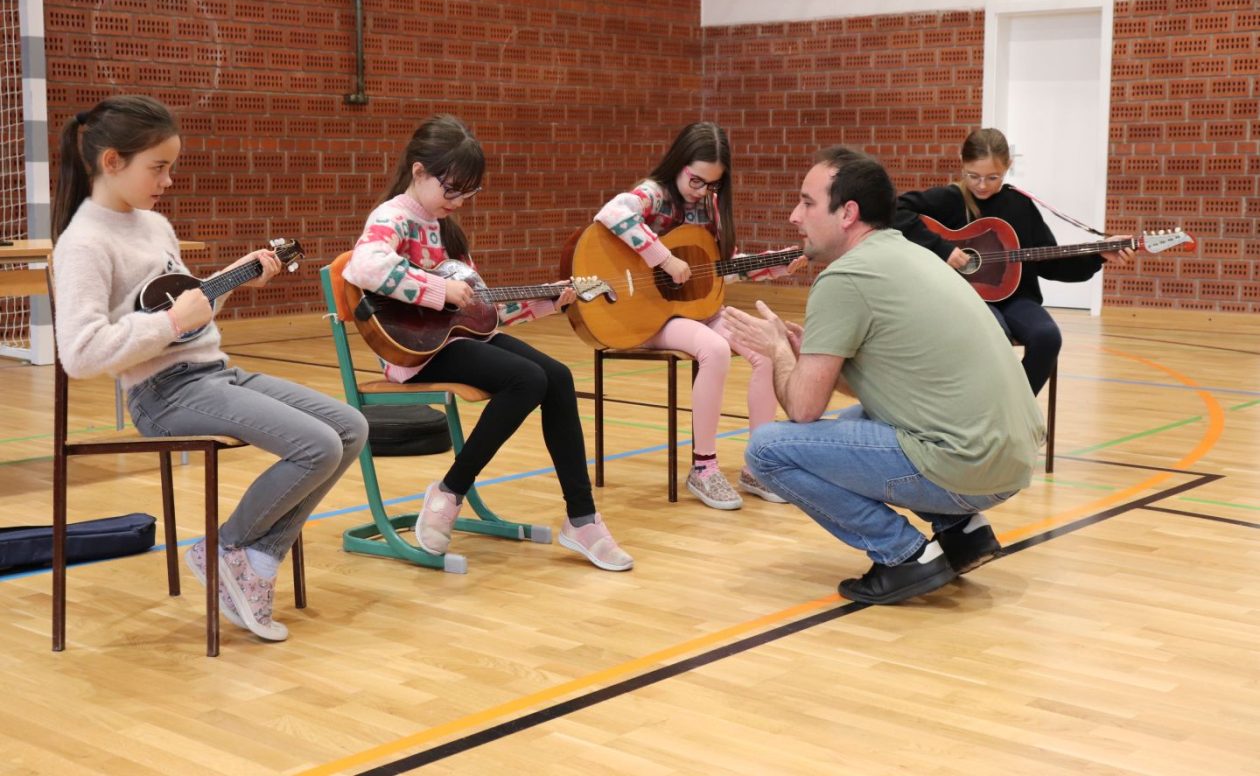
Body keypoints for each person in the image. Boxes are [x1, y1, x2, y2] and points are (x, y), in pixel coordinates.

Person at [52, 95, 369, 641]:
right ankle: (227, 548)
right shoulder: (84, 242)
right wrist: (172, 324)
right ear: (111, 163)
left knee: (350, 427)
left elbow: (181, 308)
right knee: (317, 445)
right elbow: (80, 353)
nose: (168, 180)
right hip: (163, 395)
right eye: (158, 167)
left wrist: (233, 280)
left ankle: (256, 558)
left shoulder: (153, 225)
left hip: (213, 372)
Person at [724, 147, 1045, 605]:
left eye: (807, 202)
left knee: (768, 450)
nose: (795, 216)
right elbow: (895, 384)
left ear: (848, 213)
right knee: (859, 416)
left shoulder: (845, 279)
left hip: (969, 468)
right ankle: (962, 532)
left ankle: (905, 555)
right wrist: (808, 358)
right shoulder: (912, 255)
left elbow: (801, 408)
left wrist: (777, 351)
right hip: (1010, 458)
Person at [343, 114, 633, 572]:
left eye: (466, 193)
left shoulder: (447, 231)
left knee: (556, 377)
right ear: (419, 172)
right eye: (450, 189)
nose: (457, 202)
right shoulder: (393, 216)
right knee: (526, 378)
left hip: (457, 341)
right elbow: (363, 268)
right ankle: (450, 490)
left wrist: (547, 302)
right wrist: (438, 291)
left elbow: (481, 314)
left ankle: (582, 517)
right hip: (417, 353)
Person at [592, 121, 807, 510]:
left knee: (766, 349)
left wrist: (775, 266)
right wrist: (663, 258)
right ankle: (703, 468)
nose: (702, 190)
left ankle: (757, 466)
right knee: (715, 350)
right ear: (678, 164)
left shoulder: (710, 207)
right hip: (647, 315)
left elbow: (719, 268)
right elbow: (611, 213)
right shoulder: (654, 195)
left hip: (696, 310)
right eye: (695, 180)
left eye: (712, 185)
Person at [893, 127, 1134, 395]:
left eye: (992, 177)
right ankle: (987, 411)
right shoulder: (949, 200)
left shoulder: (1019, 205)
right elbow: (892, 211)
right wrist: (943, 249)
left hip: (1017, 299)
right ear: (962, 163)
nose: (982, 185)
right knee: (992, 332)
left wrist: (1098, 255)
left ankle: (1016, 413)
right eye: (973, 176)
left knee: (1047, 337)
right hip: (966, 298)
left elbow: (1049, 262)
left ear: (1008, 167)